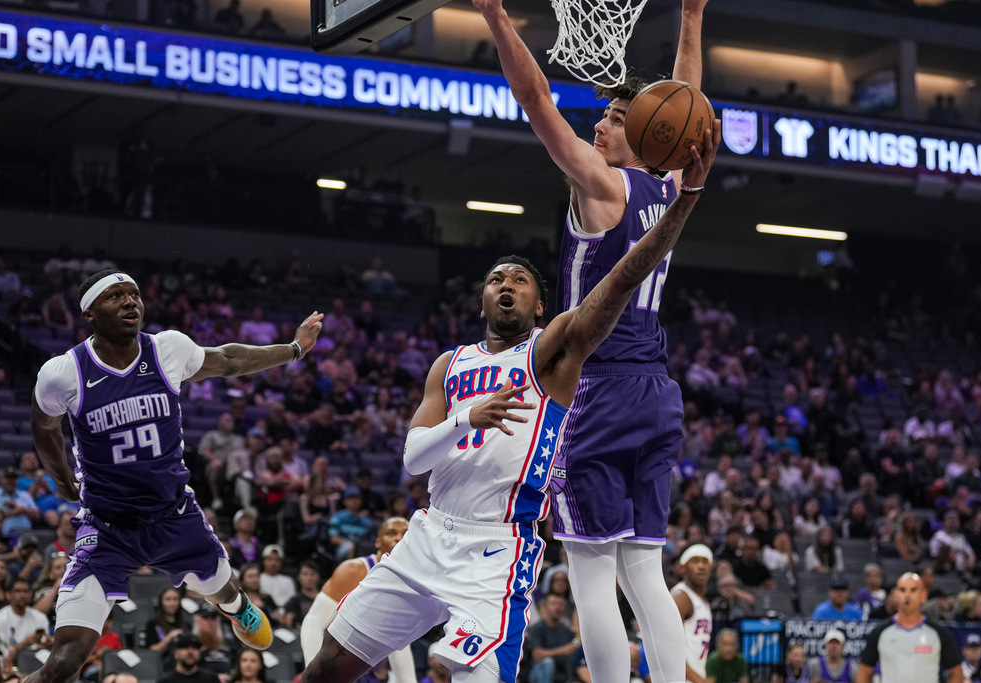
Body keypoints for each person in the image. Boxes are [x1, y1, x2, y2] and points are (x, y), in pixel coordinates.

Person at [304, 121, 719, 683]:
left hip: (497, 548)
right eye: (496, 278)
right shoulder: (448, 366)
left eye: (520, 279)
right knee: (327, 666)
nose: (506, 283)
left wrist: (686, 200)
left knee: (482, 665)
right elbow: (412, 460)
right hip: (430, 531)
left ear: (541, 305)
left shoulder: (550, 354)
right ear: (480, 301)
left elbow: (619, 283)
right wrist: (464, 419)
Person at [473, 0, 710, 679]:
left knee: (590, 569)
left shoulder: (601, 184)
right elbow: (686, 101)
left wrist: (494, 16)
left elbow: (534, 97)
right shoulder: (668, 187)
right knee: (644, 568)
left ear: (642, 130)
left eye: (611, 117)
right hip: (657, 391)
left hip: (595, 389)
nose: (599, 123)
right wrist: (690, 18)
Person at [29, 268, 325, 683]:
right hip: (108, 529)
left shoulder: (168, 349)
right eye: (116, 296)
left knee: (225, 592)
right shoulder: (64, 373)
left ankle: (236, 607)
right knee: (63, 661)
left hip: (174, 516)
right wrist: (60, 477)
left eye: (134, 293)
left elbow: (230, 358)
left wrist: (294, 349)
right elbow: (43, 426)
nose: (130, 301)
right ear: (90, 313)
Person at [300, 518, 414, 683]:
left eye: (405, 534)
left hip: (372, 672)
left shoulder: (410, 583)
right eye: (391, 533)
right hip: (333, 665)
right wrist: (314, 674)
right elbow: (313, 621)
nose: (399, 538)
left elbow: (400, 644)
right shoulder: (353, 570)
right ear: (377, 542)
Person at [857, 573, 963, 683]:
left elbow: (957, 675)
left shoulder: (939, 634)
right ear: (896, 595)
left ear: (923, 595)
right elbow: (863, 674)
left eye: (913, 590)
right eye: (902, 590)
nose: (907, 595)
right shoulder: (879, 633)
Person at [672, 545, 714, 683]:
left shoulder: (703, 602)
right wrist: (699, 680)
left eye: (705, 561)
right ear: (683, 567)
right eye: (695, 561)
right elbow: (667, 646)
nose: (701, 566)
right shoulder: (681, 597)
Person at [0, 579, 51, 669]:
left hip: (37, 662)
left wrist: (47, 643)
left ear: (30, 594)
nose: (22, 595)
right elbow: (3, 656)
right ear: (8, 595)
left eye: (26, 591)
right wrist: (23, 644)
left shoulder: (40, 617)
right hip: (12, 666)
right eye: (18, 591)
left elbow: (43, 648)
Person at [525, 594, 578, 683]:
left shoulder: (566, 630)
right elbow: (536, 655)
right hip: (536, 671)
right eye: (553, 604)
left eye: (560, 604)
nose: (557, 607)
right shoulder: (537, 628)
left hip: (560, 672)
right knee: (548, 663)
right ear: (545, 607)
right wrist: (562, 650)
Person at [258, 545, 295, 610]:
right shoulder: (258, 579)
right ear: (264, 561)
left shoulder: (288, 581)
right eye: (270, 559)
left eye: (277, 560)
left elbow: (292, 601)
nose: (273, 563)